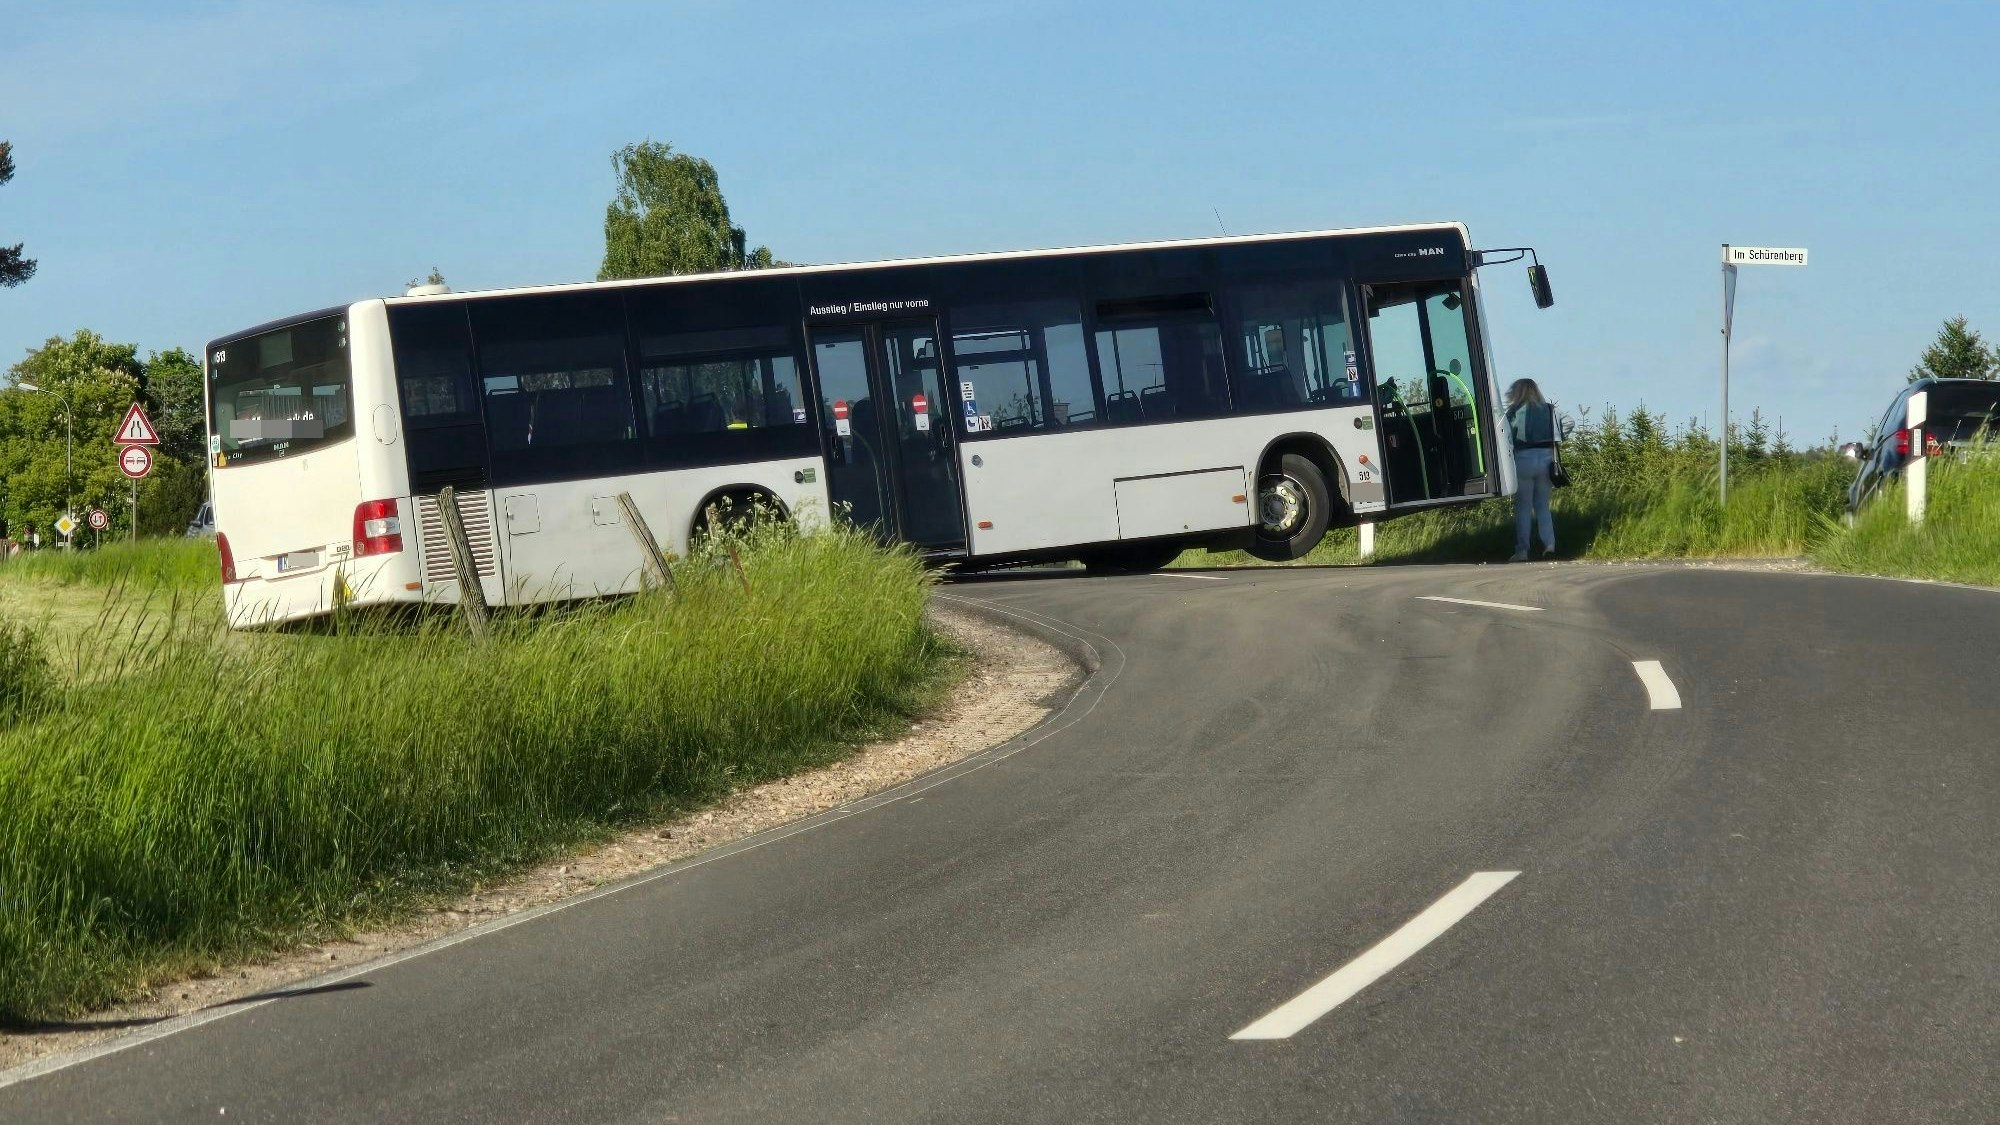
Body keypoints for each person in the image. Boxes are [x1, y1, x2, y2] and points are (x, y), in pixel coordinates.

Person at [1506, 378, 1559, 562]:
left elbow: (1507, 435)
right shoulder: (1549, 409)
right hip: (1546, 458)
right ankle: (1550, 544)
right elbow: (1568, 422)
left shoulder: (1513, 411)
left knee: (1523, 508)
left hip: (1523, 459)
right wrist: (1556, 436)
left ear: (1518, 392)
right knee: (1543, 506)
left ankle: (1522, 550)